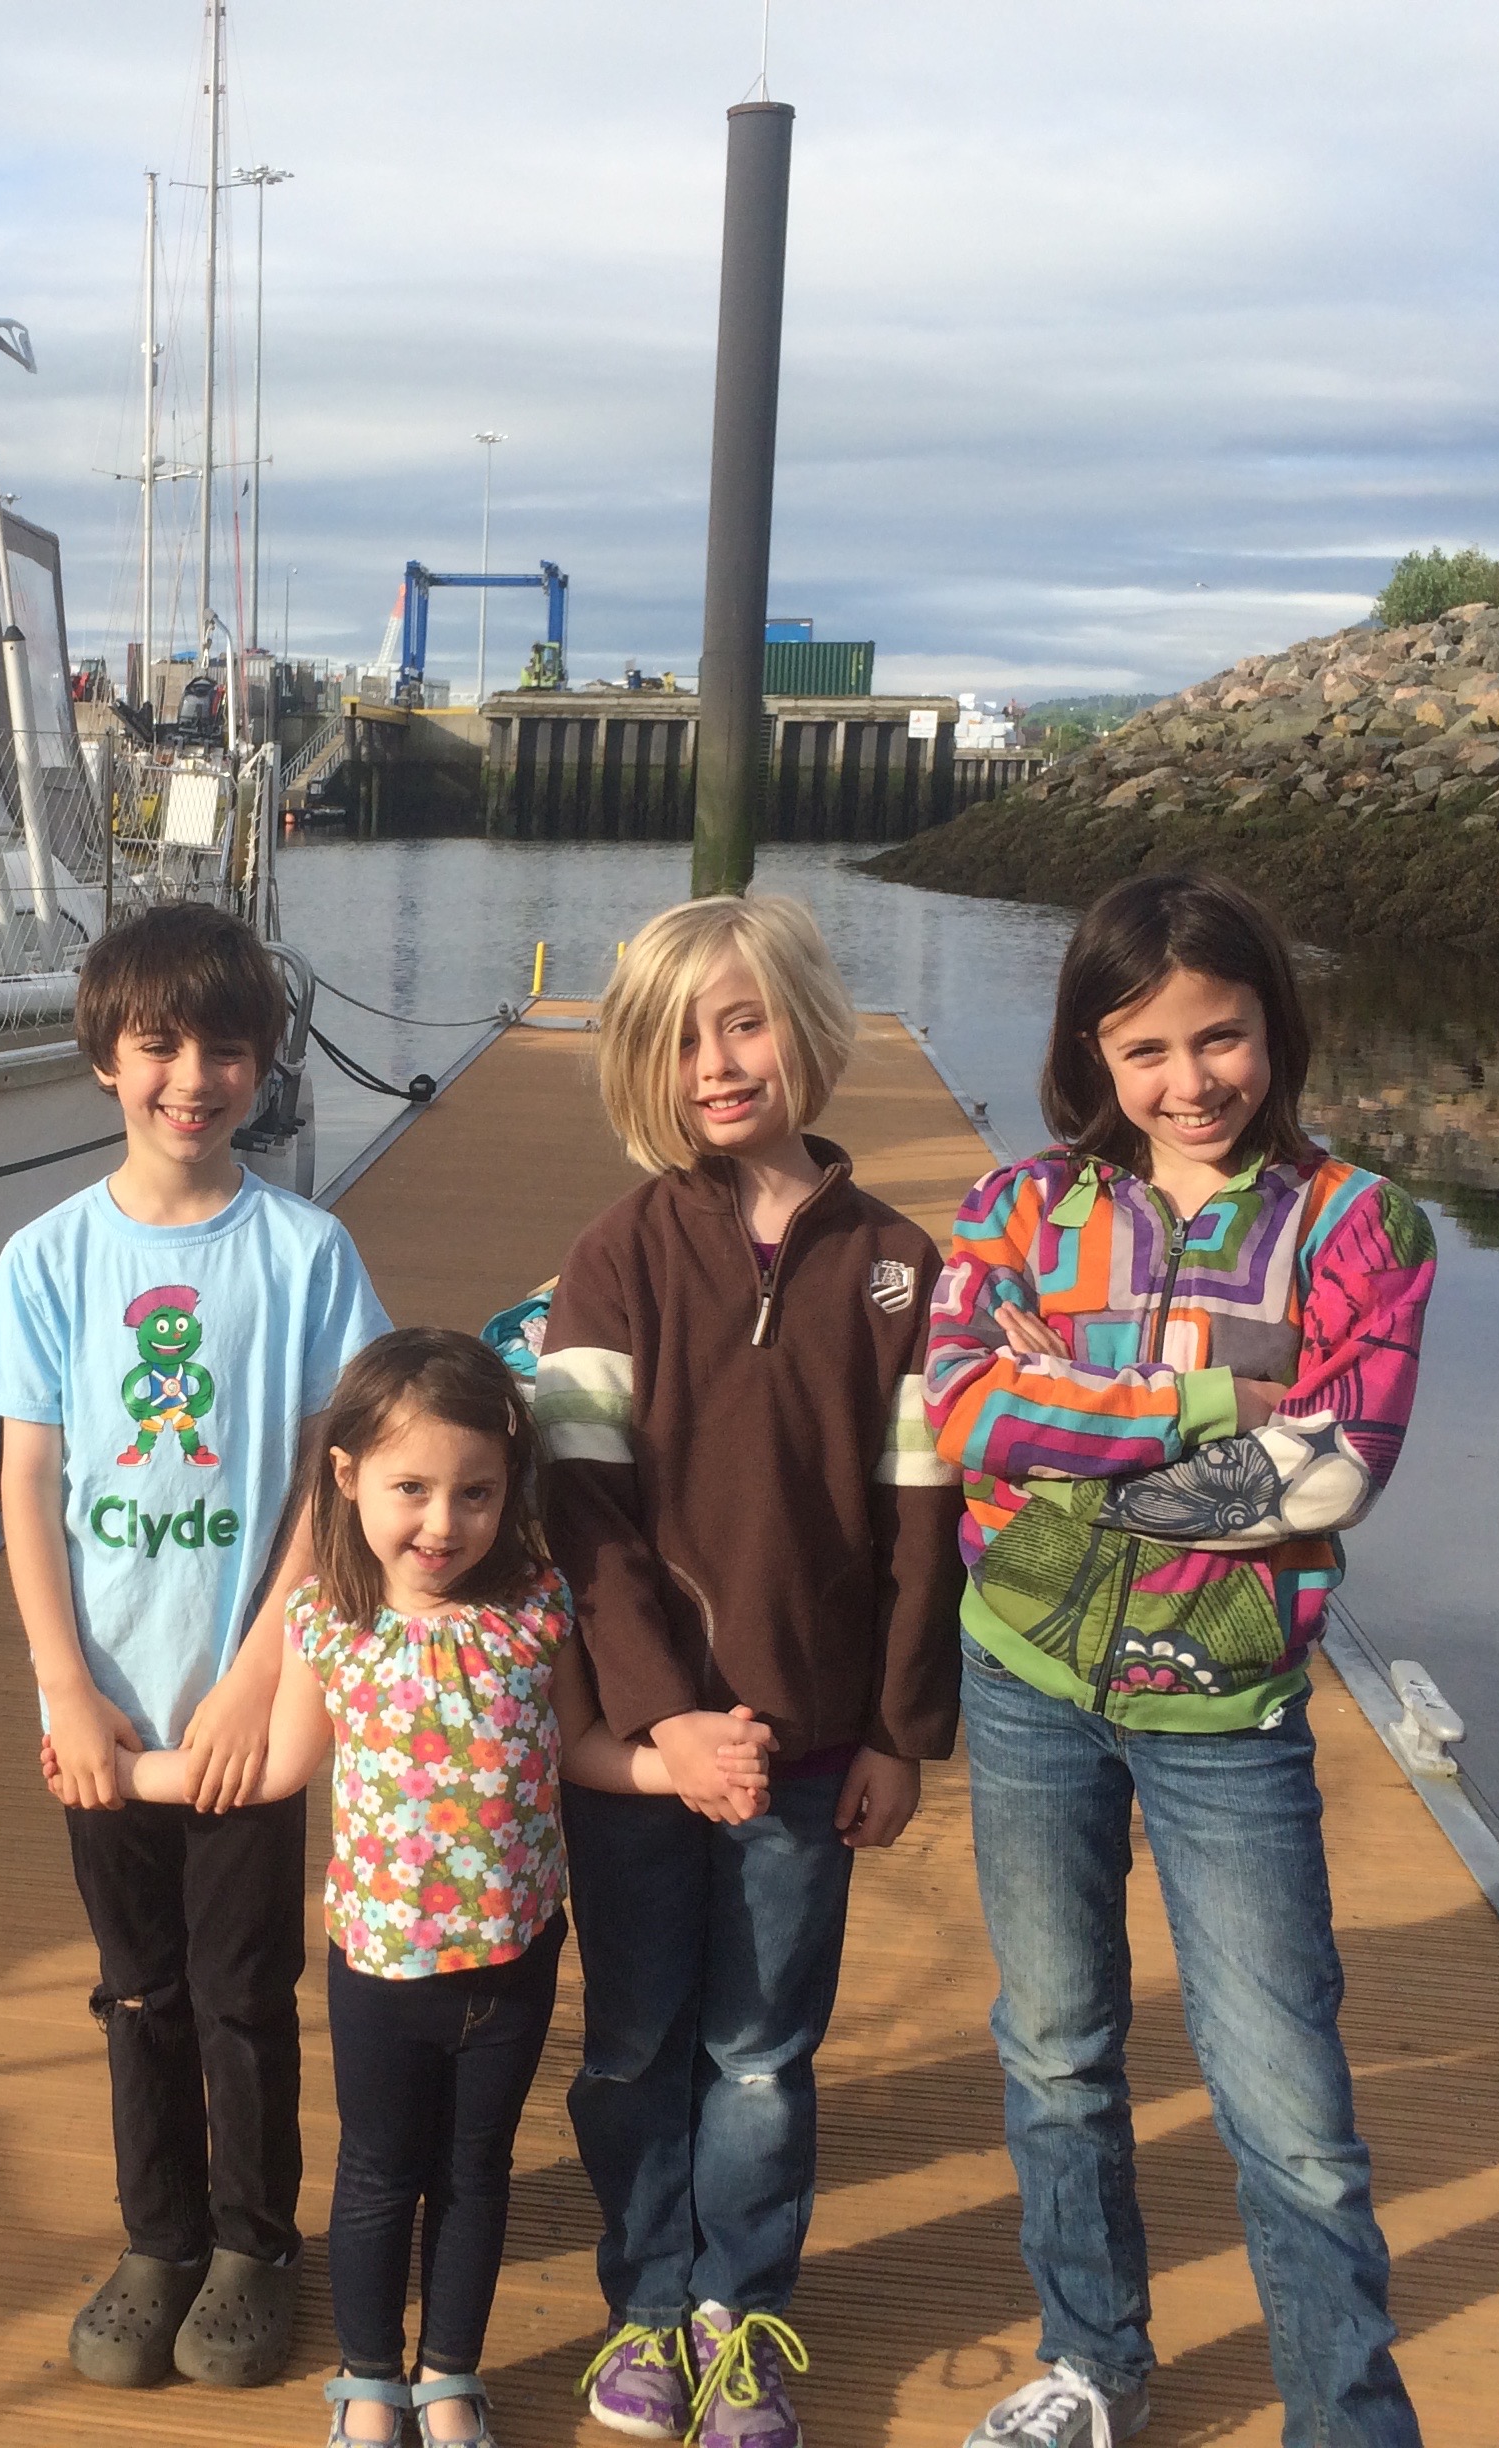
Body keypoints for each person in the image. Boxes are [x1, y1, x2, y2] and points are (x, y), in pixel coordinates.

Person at [53, 1326, 775, 2447]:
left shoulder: (538, 1608)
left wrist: (675, 1769)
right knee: (379, 2177)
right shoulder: (326, 1625)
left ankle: (448, 2375)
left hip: (513, 1962)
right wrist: (122, 1773)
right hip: (381, 1973)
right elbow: (271, 1769)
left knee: (475, 2175)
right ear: (346, 1479)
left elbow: (581, 1747)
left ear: (509, 1488)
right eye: (412, 1489)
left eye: (475, 1492)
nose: (443, 1523)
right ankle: (368, 2379)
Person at [925, 871, 1437, 2448]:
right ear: (1091, 1050)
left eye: (1221, 1037)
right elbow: (966, 1415)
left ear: (1275, 1027)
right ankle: (1093, 2361)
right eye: (1145, 1048)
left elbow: (1334, 1470)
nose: (1191, 1080)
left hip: (1229, 1708)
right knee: (1055, 2048)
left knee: (1288, 2103)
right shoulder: (1016, 1210)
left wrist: (1077, 1432)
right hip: (1027, 1680)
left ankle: (1346, 2421)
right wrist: (1211, 1410)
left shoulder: (1362, 1226)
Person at [534, 894, 966, 2448]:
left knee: (764, 2054)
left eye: (745, 1021)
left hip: (810, 1749)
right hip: (649, 1760)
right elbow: (581, 1512)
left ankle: (741, 2311)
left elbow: (925, 1527)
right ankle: (648, 2304)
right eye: (679, 1038)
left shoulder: (901, 1269)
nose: (716, 1062)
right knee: (636, 2044)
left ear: (807, 1029)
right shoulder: (617, 1258)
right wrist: (662, 1719)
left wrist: (901, 1733)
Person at [0, 899, 392, 2393]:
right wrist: (64, 1688)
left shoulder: (307, 1253)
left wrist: (263, 1676)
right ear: (107, 1058)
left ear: (263, 1064)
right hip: (106, 1713)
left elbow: (334, 1484)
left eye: (225, 1050)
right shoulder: (50, 1258)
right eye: (158, 1047)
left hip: (246, 1707)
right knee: (136, 1982)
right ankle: (161, 2236)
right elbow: (27, 1485)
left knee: (243, 1988)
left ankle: (257, 2245)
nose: (191, 1080)